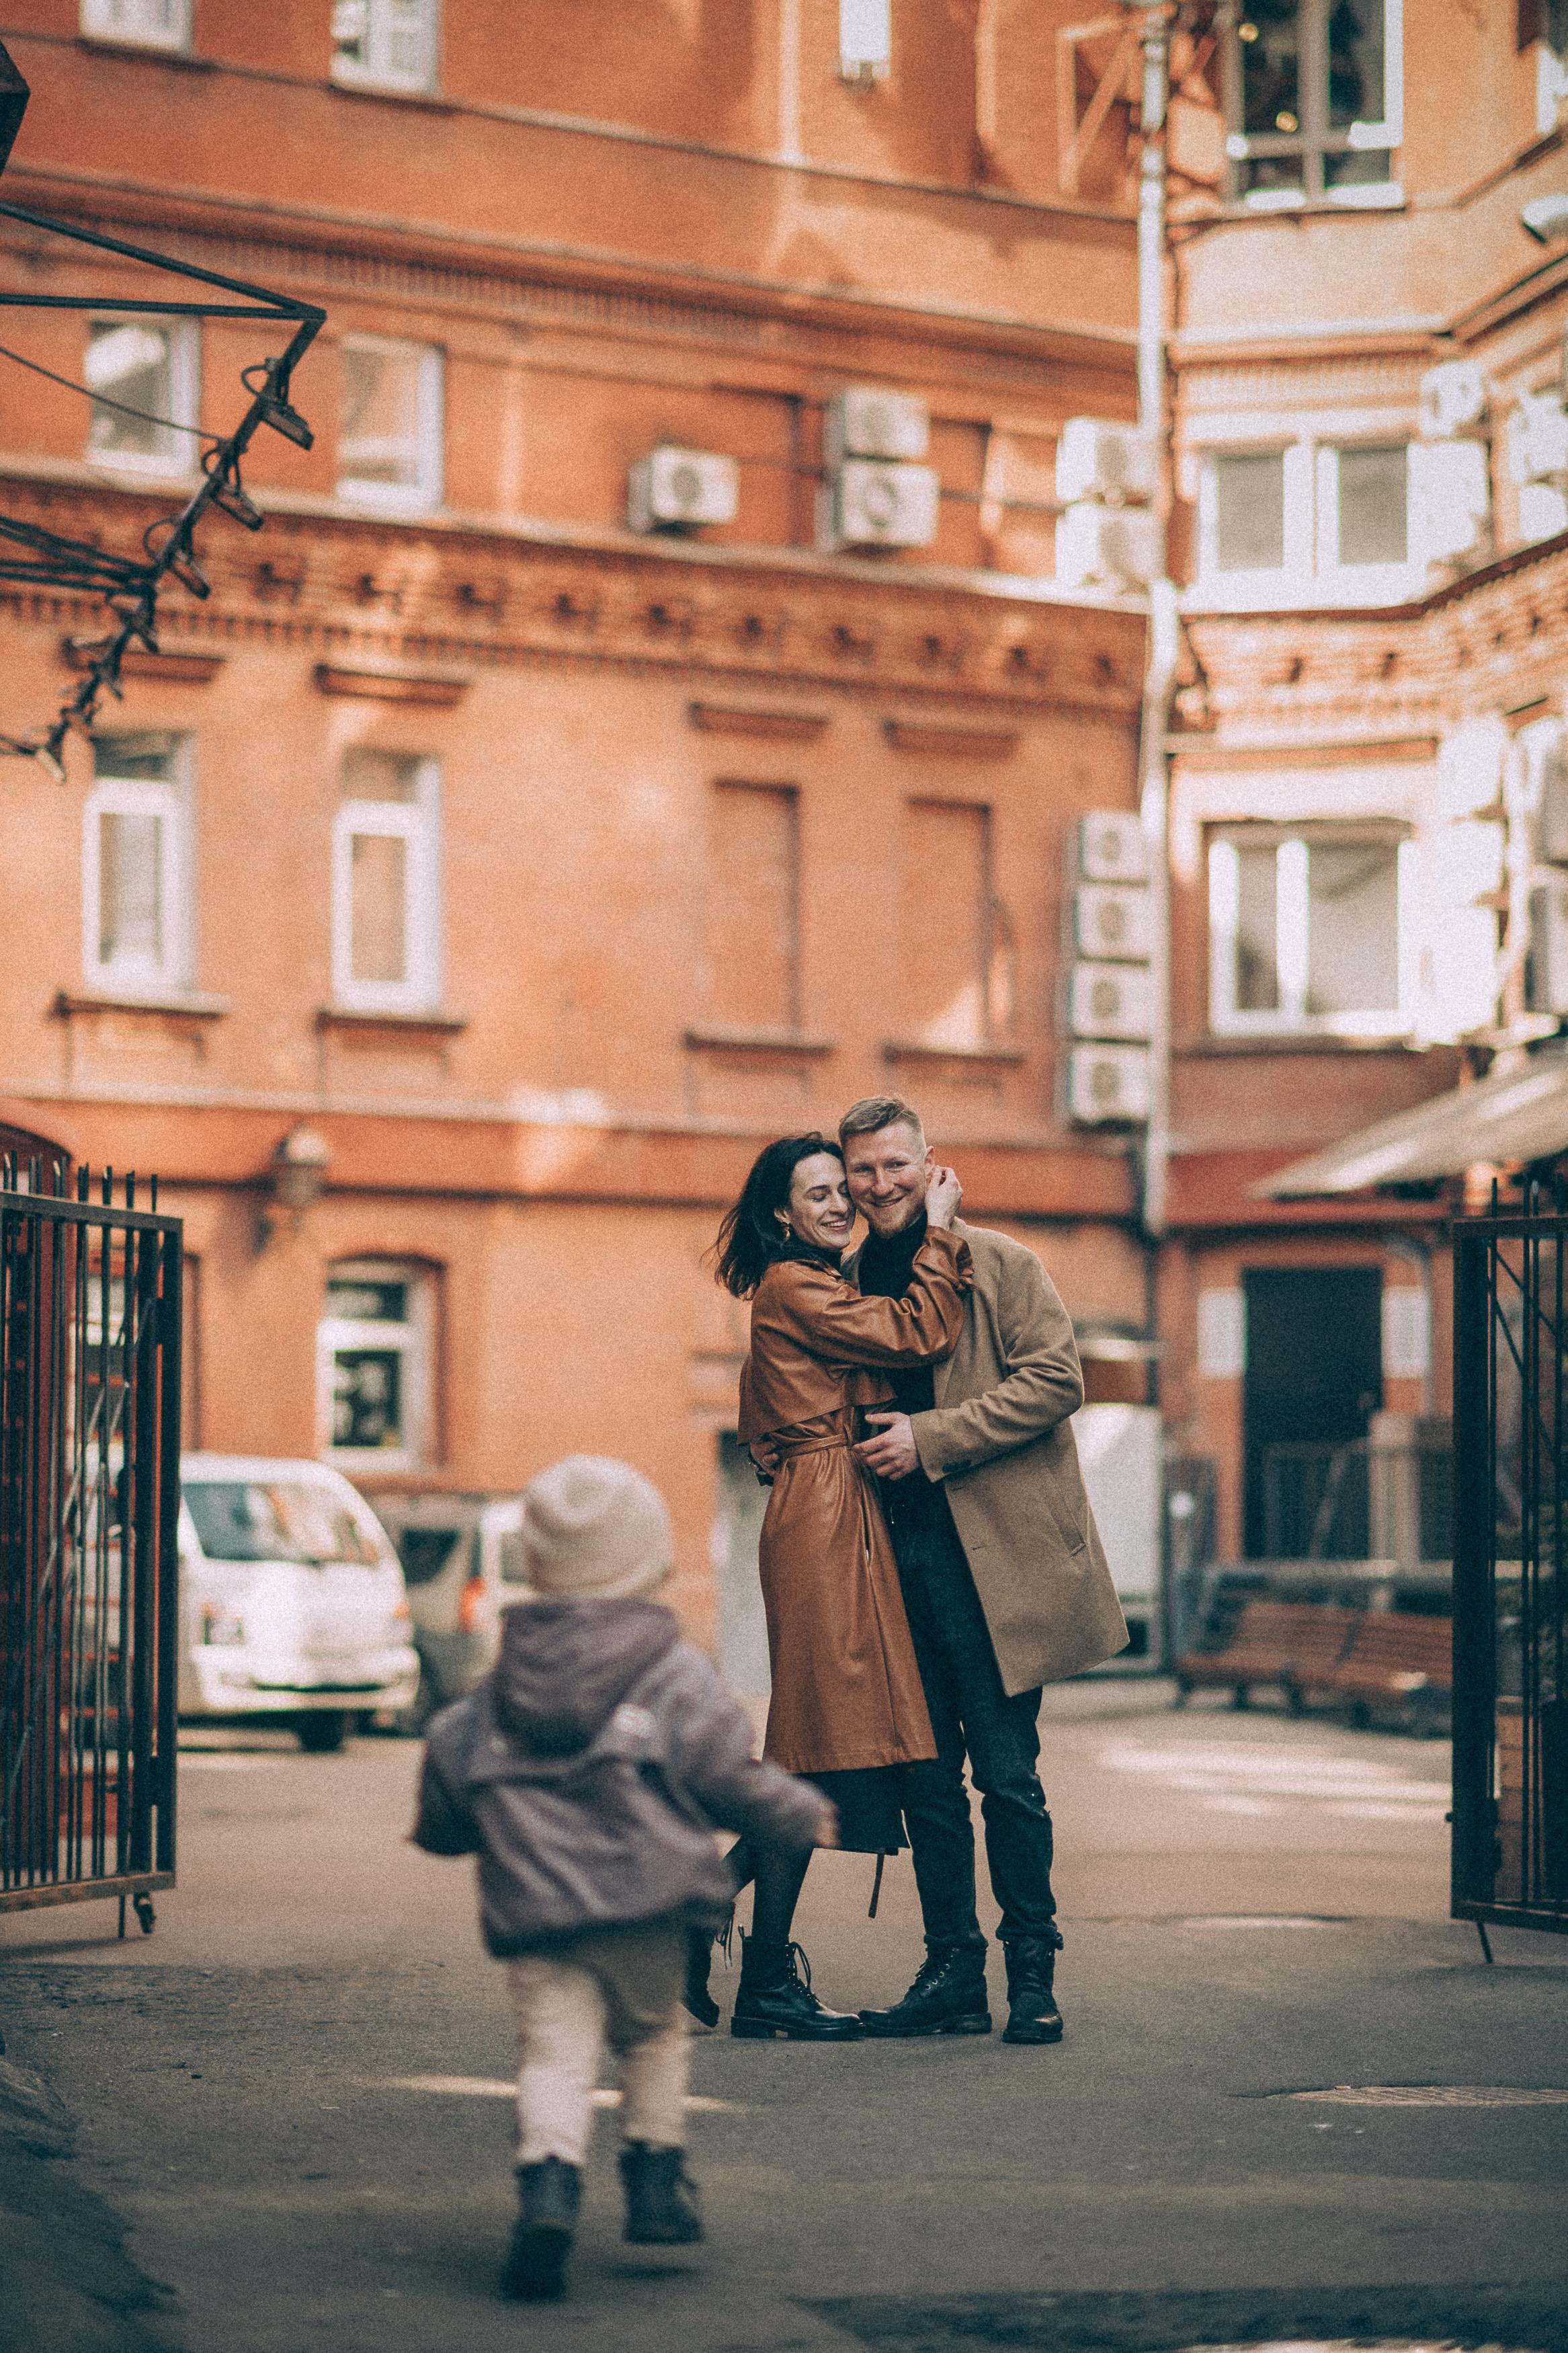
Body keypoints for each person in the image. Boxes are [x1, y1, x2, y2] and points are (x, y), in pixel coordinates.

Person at [412, 1453, 830, 2303]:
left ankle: (549, 2189)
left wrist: (448, 1828)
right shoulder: (674, 1672)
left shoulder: (503, 1682)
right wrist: (793, 1812)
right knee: (651, 2036)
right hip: (647, 1910)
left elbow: (452, 1765)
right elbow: (727, 1774)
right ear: (646, 1560)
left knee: (554, 2057)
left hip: (538, 1915)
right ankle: (653, 2174)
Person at [837, 1096, 1128, 2047]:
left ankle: (1032, 1975)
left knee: (1007, 1778)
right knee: (925, 1780)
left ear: (930, 1166)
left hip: (991, 1564)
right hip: (894, 1561)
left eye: (894, 1166)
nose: (878, 1185)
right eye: (862, 1170)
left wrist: (933, 1438)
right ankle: (952, 1973)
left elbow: (1057, 1381)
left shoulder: (1000, 1262)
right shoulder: (845, 1280)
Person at [698, 1131, 973, 2040]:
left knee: (827, 1749)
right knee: (815, 1751)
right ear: (780, 1210)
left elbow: (755, 1410)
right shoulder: (797, 1283)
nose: (834, 1203)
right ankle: (751, 1963)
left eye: (836, 1190)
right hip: (826, 1512)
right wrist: (934, 1233)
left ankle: (718, 1923)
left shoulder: (816, 1283)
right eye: (814, 1192)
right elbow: (916, 1330)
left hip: (829, 1501)